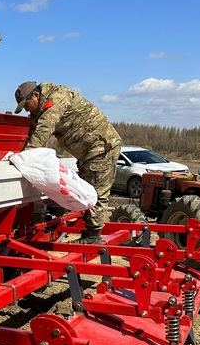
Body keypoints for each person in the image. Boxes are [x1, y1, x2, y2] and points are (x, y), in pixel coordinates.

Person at [14, 81, 121, 244]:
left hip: (101, 148)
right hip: (87, 152)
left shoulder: (56, 98)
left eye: (26, 105)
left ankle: (93, 236)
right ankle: (90, 231)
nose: (26, 110)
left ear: (35, 95)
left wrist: (21, 159)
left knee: (96, 191)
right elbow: (32, 136)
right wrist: (19, 157)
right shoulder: (39, 110)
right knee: (86, 190)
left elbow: (43, 131)